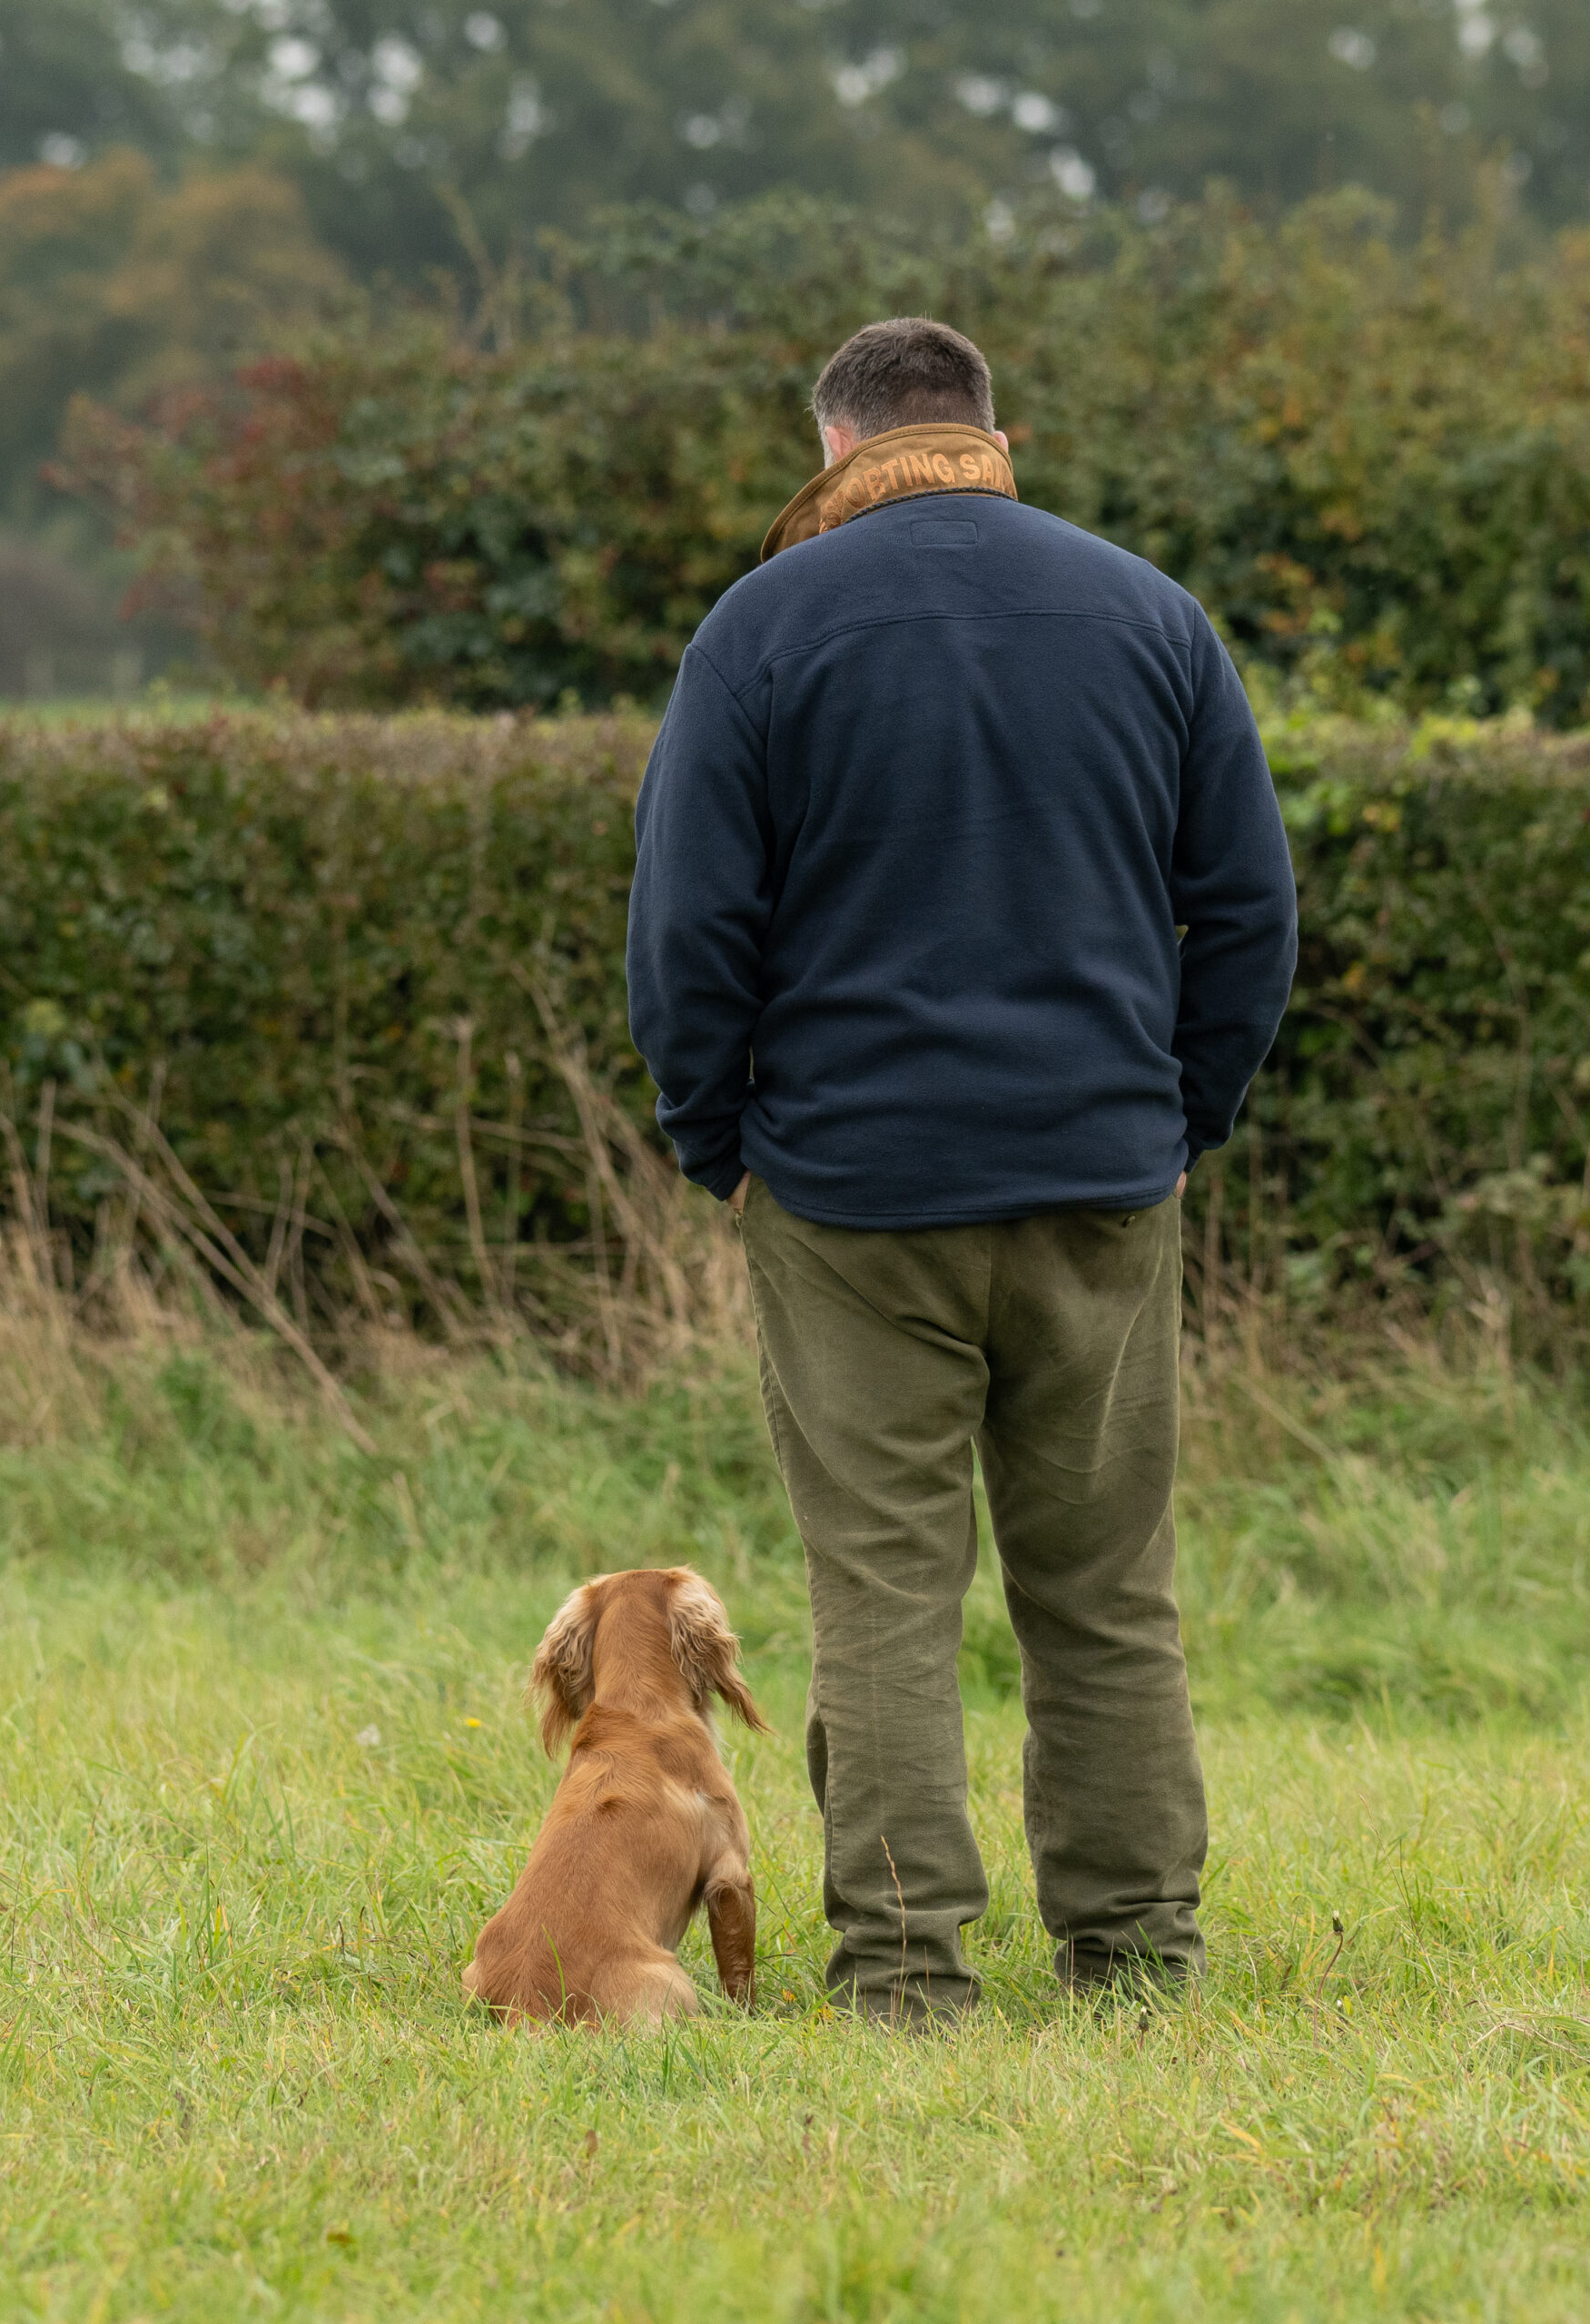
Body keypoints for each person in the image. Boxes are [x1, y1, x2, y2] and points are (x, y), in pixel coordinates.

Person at [627, 317, 1297, 2024]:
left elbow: (690, 929)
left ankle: (911, 1976)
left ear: (835, 440)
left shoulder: (761, 625)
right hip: (1097, 1174)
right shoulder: (1152, 614)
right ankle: (1138, 1958)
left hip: (849, 1193)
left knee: (883, 1597)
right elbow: (1252, 913)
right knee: (1107, 1592)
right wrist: (1172, 1115)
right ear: (993, 432)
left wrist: (720, 1139)